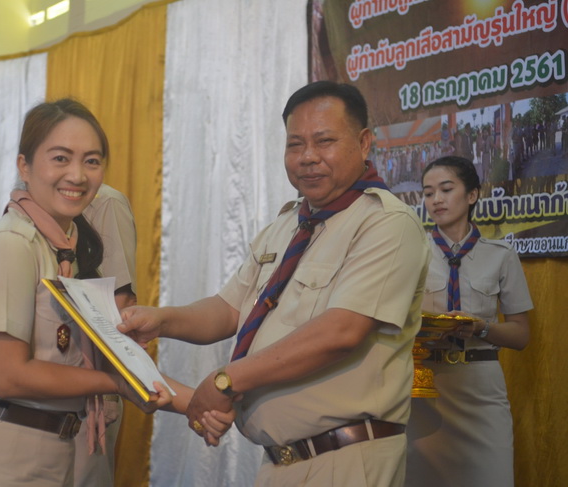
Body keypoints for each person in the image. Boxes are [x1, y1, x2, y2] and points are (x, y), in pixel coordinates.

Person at [119, 81, 431, 487]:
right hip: (279, 462)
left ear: (364, 143)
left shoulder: (386, 223)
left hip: (347, 460)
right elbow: (228, 309)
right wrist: (161, 321)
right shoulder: (288, 225)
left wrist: (226, 381)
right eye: (295, 144)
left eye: (324, 141)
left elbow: (341, 332)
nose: (308, 157)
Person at [0, 99, 231, 486]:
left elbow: (100, 358)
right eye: (60, 158)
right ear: (24, 166)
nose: (77, 175)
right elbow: (9, 375)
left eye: (92, 161)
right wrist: (117, 384)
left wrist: (196, 403)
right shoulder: (11, 245)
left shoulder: (59, 250)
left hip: (49, 450)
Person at [406, 156, 532, 487]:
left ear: (472, 195)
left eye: (446, 190)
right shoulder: (410, 253)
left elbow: (521, 335)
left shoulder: (501, 255)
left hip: (481, 387)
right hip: (424, 385)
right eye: (428, 193)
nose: (436, 200)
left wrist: (482, 327)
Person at [74, 184, 138, 486]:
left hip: (91, 383)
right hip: (47, 381)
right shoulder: (38, 205)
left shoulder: (105, 202)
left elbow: (120, 299)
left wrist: (108, 389)